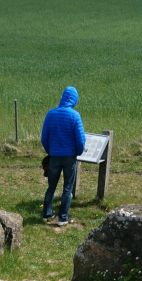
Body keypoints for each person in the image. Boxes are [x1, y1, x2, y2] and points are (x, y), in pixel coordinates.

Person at [41, 86, 86, 226]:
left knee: (51, 186)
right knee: (67, 188)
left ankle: (47, 214)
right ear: (74, 100)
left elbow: (44, 137)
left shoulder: (51, 114)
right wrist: (78, 152)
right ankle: (63, 217)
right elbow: (80, 139)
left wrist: (50, 151)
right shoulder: (75, 116)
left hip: (54, 156)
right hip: (69, 157)